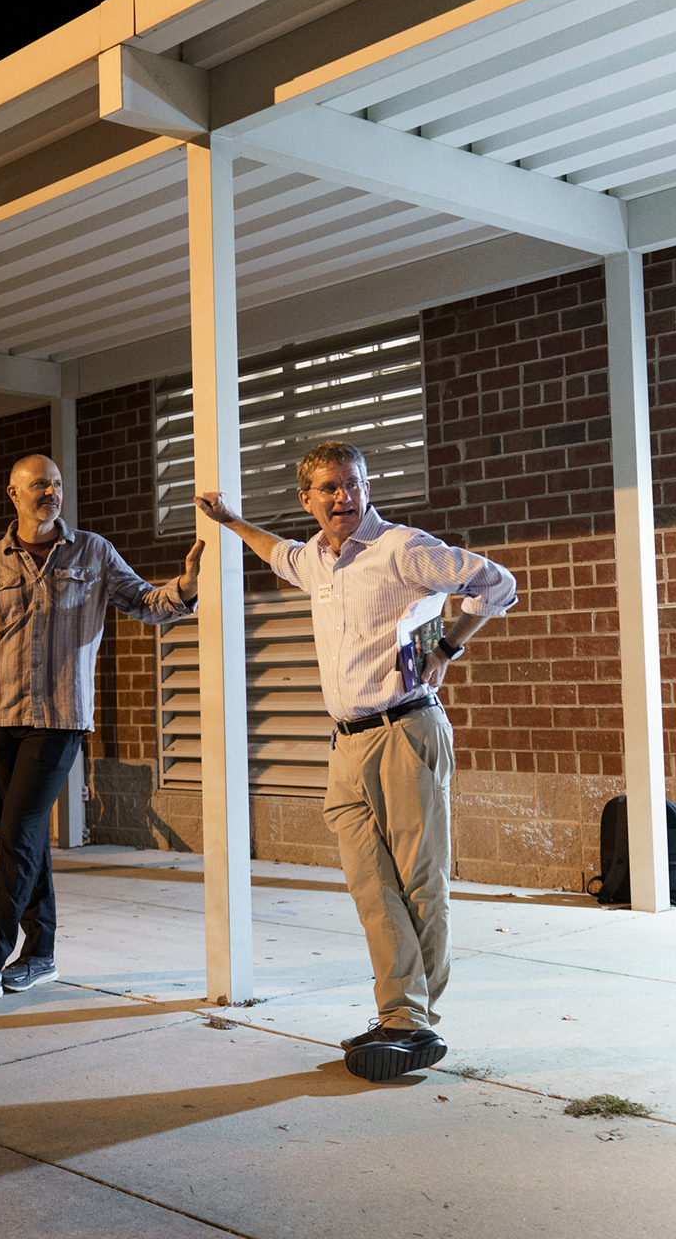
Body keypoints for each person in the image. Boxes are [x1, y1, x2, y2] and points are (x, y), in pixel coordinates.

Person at [195, 440, 517, 1082]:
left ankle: (410, 1019)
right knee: (370, 882)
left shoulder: (402, 548)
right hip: (346, 742)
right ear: (307, 499)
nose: (343, 497)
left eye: (353, 484)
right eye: (329, 488)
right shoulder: (315, 559)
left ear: (367, 488)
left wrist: (447, 647)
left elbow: (496, 583)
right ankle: (403, 1014)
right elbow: (276, 552)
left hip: (405, 730)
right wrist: (230, 521)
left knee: (419, 881)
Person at [0, 455, 203, 1010]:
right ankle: (40, 956)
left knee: (19, 835)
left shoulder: (93, 552)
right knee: (23, 838)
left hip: (59, 720)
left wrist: (184, 587)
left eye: (58, 484)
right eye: (40, 484)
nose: (51, 492)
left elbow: (143, 602)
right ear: (14, 494)